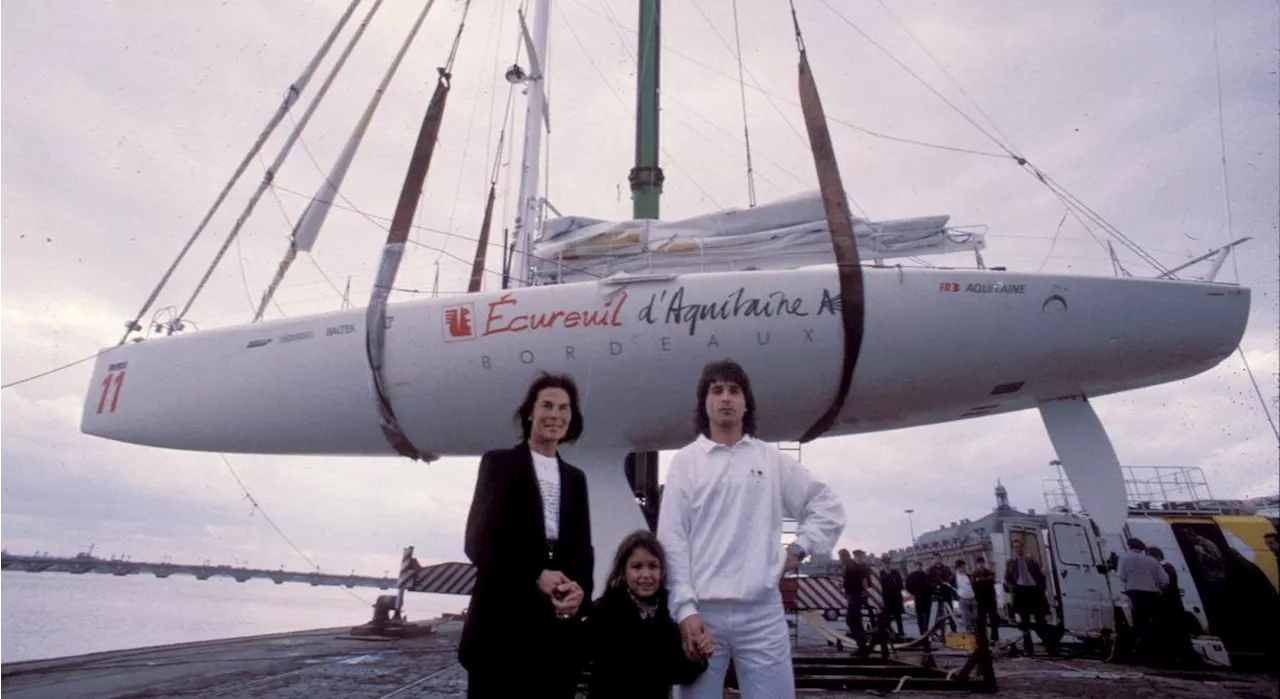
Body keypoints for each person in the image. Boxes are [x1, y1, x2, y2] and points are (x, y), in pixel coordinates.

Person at [657, 359, 845, 699]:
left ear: (746, 403)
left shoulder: (770, 461)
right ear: (705, 403)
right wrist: (684, 611)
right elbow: (672, 541)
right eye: (717, 391)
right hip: (703, 613)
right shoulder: (686, 462)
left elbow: (827, 507)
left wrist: (799, 549)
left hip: (761, 612)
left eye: (734, 390)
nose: (725, 397)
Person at [459, 372, 595, 698]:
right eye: (547, 405)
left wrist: (579, 593)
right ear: (531, 412)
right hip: (501, 627)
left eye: (564, 408)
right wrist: (535, 574)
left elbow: (582, 553)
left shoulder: (576, 479)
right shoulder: (499, 464)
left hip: (554, 635)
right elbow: (478, 541)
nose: (555, 415)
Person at [584, 530, 707, 698]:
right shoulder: (603, 611)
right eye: (637, 567)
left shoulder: (669, 614)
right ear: (622, 572)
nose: (646, 575)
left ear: (662, 570)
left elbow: (677, 673)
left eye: (653, 566)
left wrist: (697, 656)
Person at [1117, 538, 1167, 666]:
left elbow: (1121, 576)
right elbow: (1165, 580)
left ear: (1129, 546)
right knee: (1153, 624)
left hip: (1134, 594)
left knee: (1138, 623)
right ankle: (1155, 652)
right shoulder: (1151, 560)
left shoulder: (1124, 558)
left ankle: (1139, 652)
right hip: (1152, 595)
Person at [1003, 536, 1054, 656]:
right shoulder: (1010, 562)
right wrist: (1012, 588)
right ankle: (1028, 648)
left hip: (1034, 591)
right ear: (1013, 549)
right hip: (1021, 591)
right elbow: (1006, 578)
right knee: (1024, 623)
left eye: (1019, 547)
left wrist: (1041, 587)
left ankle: (1049, 646)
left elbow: (1040, 574)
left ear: (1022, 547)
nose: (1018, 549)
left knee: (1041, 620)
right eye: (1015, 547)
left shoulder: (1030, 559)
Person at [1147, 546, 1195, 667]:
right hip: (1169, 606)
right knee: (1174, 634)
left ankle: (1184, 660)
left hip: (1170, 606)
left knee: (1176, 633)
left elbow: (1167, 586)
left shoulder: (1166, 568)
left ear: (1157, 556)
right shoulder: (1165, 567)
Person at [841, 549, 872, 654]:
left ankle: (862, 645)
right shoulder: (862, 566)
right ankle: (862, 644)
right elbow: (866, 581)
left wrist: (846, 589)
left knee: (851, 620)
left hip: (854, 595)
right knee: (856, 620)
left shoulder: (851, 565)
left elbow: (852, 581)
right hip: (856, 595)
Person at [971, 556, 1000, 642]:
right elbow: (975, 585)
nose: (981, 565)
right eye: (979, 564)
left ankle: (995, 637)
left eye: (982, 563)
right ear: (976, 565)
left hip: (990, 599)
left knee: (993, 620)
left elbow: (990, 581)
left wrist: (980, 581)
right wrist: (984, 581)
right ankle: (982, 638)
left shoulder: (989, 572)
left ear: (984, 563)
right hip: (980, 601)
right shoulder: (974, 574)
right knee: (981, 621)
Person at [878, 554, 906, 638]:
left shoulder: (895, 573)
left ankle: (901, 633)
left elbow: (900, 585)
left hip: (896, 599)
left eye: (888, 562)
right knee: (887, 619)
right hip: (886, 600)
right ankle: (890, 634)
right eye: (885, 562)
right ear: (882, 563)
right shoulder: (880, 574)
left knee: (898, 618)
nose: (887, 564)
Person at [927, 553, 956, 632]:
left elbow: (951, 579)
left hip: (946, 593)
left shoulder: (946, 568)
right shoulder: (930, 570)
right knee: (939, 615)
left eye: (938, 558)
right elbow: (928, 582)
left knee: (950, 613)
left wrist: (947, 584)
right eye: (935, 558)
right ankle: (941, 632)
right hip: (937, 595)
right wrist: (936, 586)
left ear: (941, 559)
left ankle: (954, 630)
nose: (937, 560)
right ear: (932, 560)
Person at [905, 561, 932, 637]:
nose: (919, 567)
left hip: (926, 599)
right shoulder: (912, 576)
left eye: (920, 566)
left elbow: (929, 585)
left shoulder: (925, 575)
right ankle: (922, 632)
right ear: (915, 567)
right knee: (920, 617)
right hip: (919, 598)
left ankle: (927, 631)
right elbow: (907, 586)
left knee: (927, 616)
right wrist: (914, 592)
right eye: (917, 566)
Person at [954, 559, 977, 635]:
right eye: (962, 567)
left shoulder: (967, 575)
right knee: (966, 618)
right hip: (963, 599)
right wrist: (957, 596)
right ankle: (969, 633)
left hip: (972, 598)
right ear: (958, 568)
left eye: (964, 567)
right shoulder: (954, 577)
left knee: (975, 616)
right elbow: (950, 586)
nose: (964, 569)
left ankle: (976, 632)